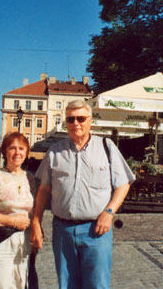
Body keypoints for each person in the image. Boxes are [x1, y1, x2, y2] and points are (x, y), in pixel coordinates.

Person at [30, 100, 135, 289]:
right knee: (67, 285)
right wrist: (36, 223)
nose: (76, 123)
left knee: (97, 285)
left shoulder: (106, 147)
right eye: (70, 119)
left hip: (96, 231)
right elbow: (44, 190)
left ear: (90, 120)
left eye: (80, 118)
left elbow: (123, 184)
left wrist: (109, 212)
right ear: (66, 122)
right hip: (63, 230)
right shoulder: (55, 151)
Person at [0, 132, 36, 289]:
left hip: (23, 243)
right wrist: (13, 221)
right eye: (12, 148)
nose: (17, 152)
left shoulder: (30, 178)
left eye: (21, 148)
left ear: (27, 152)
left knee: (19, 284)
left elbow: (35, 211)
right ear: (5, 151)